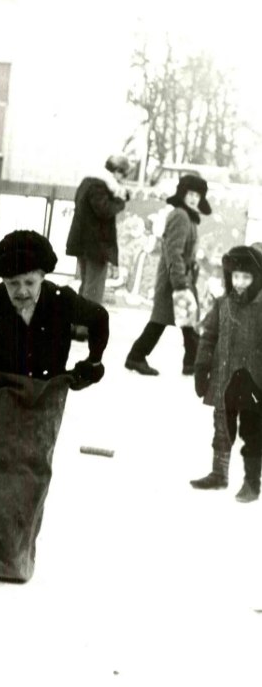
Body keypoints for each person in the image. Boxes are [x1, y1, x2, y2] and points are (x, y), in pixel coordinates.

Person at [0, 230, 109, 583]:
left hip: (47, 393)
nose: (21, 291)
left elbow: (99, 319)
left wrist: (93, 362)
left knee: (30, 471)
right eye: (13, 283)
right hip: (1, 388)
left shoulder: (62, 300)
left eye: (29, 282)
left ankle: (13, 558)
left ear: (43, 278)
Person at [191, 245, 262, 503]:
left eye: (247, 277)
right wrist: (201, 369)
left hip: (255, 382)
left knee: (253, 432)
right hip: (224, 378)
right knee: (222, 426)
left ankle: (252, 482)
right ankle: (218, 474)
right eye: (236, 276)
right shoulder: (222, 304)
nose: (240, 282)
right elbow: (208, 338)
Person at [125, 174, 211, 376]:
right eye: (189, 194)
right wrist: (179, 280)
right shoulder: (181, 215)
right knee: (165, 320)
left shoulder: (188, 217)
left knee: (184, 320)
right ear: (182, 194)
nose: (193, 198)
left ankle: (190, 362)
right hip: (174, 277)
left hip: (179, 275)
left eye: (197, 195)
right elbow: (173, 251)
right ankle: (137, 357)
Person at [66, 153, 131, 311]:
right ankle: (86, 326)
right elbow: (104, 210)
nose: (123, 179)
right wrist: (120, 201)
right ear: (116, 171)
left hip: (83, 243)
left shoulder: (87, 182)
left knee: (87, 284)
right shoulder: (99, 185)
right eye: (123, 174)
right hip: (96, 245)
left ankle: (77, 324)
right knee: (94, 288)